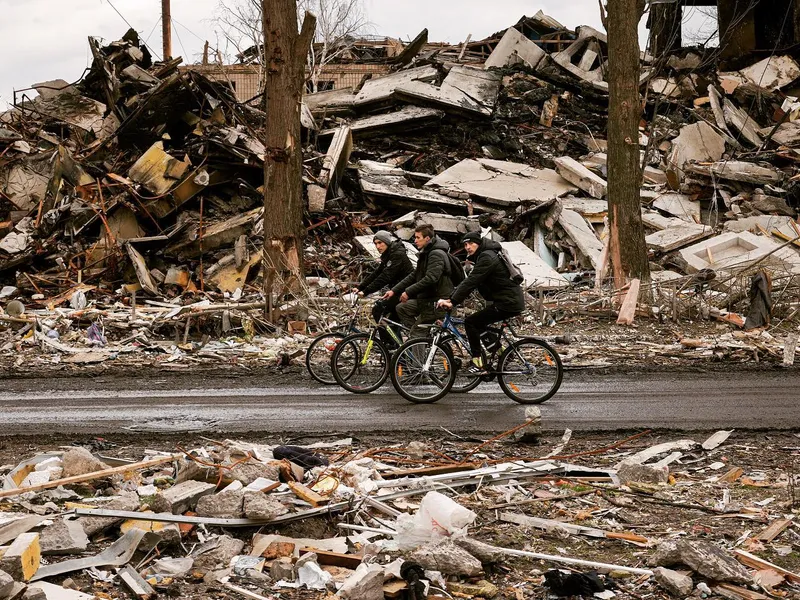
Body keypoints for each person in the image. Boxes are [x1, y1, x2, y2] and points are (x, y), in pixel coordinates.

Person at [437, 232, 524, 373]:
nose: (468, 247)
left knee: (470, 322)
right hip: (506, 300)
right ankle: (502, 352)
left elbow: (472, 281)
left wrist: (453, 301)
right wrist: (451, 297)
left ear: (479, 243)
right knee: (479, 323)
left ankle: (478, 362)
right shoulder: (486, 254)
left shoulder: (487, 257)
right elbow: (470, 281)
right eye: (465, 244)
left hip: (507, 302)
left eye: (471, 243)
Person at [383, 224, 454, 340]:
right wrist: (394, 291)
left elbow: (431, 278)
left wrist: (408, 292)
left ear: (427, 238)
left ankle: (419, 348)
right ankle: (422, 340)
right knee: (402, 308)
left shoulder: (436, 254)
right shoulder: (426, 252)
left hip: (438, 302)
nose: (415, 241)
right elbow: (414, 275)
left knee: (417, 333)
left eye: (417, 238)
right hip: (427, 300)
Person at [353, 230, 413, 325]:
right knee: (391, 323)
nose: (377, 247)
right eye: (375, 243)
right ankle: (392, 340)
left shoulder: (397, 254)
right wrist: (361, 287)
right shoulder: (388, 254)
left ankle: (386, 340)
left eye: (380, 243)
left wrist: (366, 291)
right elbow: (377, 273)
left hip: (405, 292)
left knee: (378, 310)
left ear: (387, 242)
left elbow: (386, 276)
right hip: (398, 291)